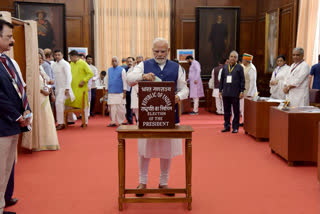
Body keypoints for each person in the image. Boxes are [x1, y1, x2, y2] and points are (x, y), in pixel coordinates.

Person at [127, 38, 189, 196]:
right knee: (144, 149)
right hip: (148, 116)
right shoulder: (143, 65)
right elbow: (129, 79)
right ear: (152, 50)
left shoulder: (177, 67)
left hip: (169, 115)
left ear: (168, 51)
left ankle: (163, 183)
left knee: (167, 150)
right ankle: (142, 182)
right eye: (156, 51)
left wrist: (179, 97)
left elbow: (185, 89)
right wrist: (142, 76)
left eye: (163, 51)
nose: (159, 54)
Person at [0, 19, 32, 214]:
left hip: (12, 125)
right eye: (8, 37)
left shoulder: (7, 61)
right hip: (2, 125)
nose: (12, 41)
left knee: (6, 171)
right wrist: (17, 115)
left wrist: (26, 110)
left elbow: (19, 88)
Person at [36, 51, 60, 151]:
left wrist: (49, 87)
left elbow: (48, 80)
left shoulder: (41, 68)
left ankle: (48, 141)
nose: (40, 59)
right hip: (39, 97)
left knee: (48, 119)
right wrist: (42, 90)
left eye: (41, 58)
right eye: (38, 58)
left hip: (45, 96)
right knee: (41, 119)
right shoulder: (32, 70)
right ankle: (40, 142)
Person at [65, 50, 93, 127]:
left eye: (71, 57)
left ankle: (85, 122)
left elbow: (90, 73)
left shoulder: (83, 63)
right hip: (72, 89)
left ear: (75, 56)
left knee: (84, 106)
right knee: (68, 104)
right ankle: (70, 120)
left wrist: (84, 81)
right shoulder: (71, 64)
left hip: (81, 89)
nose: (70, 59)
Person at [219, 50, 245, 134]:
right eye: (231, 56)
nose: (233, 58)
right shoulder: (225, 67)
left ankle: (235, 127)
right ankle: (226, 126)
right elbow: (222, 79)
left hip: (235, 93)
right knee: (226, 111)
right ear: (229, 57)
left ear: (237, 59)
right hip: (226, 92)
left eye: (235, 57)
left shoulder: (240, 68)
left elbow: (242, 80)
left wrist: (241, 91)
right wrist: (220, 90)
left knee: (236, 111)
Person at [52, 50, 73, 130]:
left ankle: (61, 123)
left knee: (59, 104)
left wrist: (67, 88)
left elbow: (69, 76)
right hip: (57, 88)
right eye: (56, 55)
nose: (57, 56)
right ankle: (63, 121)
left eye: (59, 55)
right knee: (59, 106)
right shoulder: (53, 65)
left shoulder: (65, 64)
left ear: (62, 55)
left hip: (64, 88)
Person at [105, 56, 127, 127]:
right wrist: (106, 90)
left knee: (120, 108)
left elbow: (124, 81)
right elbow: (107, 81)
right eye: (113, 61)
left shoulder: (122, 70)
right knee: (112, 108)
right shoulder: (109, 70)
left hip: (120, 92)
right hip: (111, 92)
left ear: (118, 62)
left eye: (115, 61)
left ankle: (121, 122)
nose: (114, 62)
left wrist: (124, 92)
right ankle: (113, 121)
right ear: (111, 62)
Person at [239, 53, 257, 125]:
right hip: (243, 90)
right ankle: (244, 121)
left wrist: (249, 94)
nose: (242, 61)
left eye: (243, 60)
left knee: (246, 108)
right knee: (242, 108)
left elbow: (252, 82)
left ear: (247, 60)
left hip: (249, 92)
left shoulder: (251, 68)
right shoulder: (244, 66)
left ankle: (247, 122)